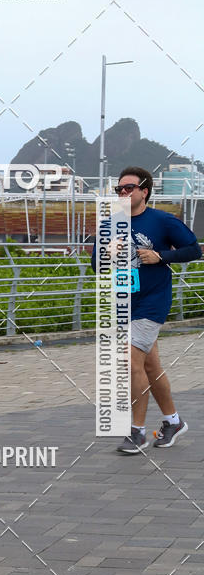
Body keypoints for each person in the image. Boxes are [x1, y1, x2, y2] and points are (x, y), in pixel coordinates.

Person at [91, 166, 201, 454]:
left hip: (153, 301)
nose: (123, 193)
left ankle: (137, 432)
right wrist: (107, 253)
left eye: (129, 188)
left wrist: (161, 256)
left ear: (144, 191)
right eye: (119, 189)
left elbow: (194, 249)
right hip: (125, 303)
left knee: (130, 362)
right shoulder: (109, 225)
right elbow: (95, 267)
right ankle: (173, 422)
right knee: (150, 367)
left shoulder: (162, 221)